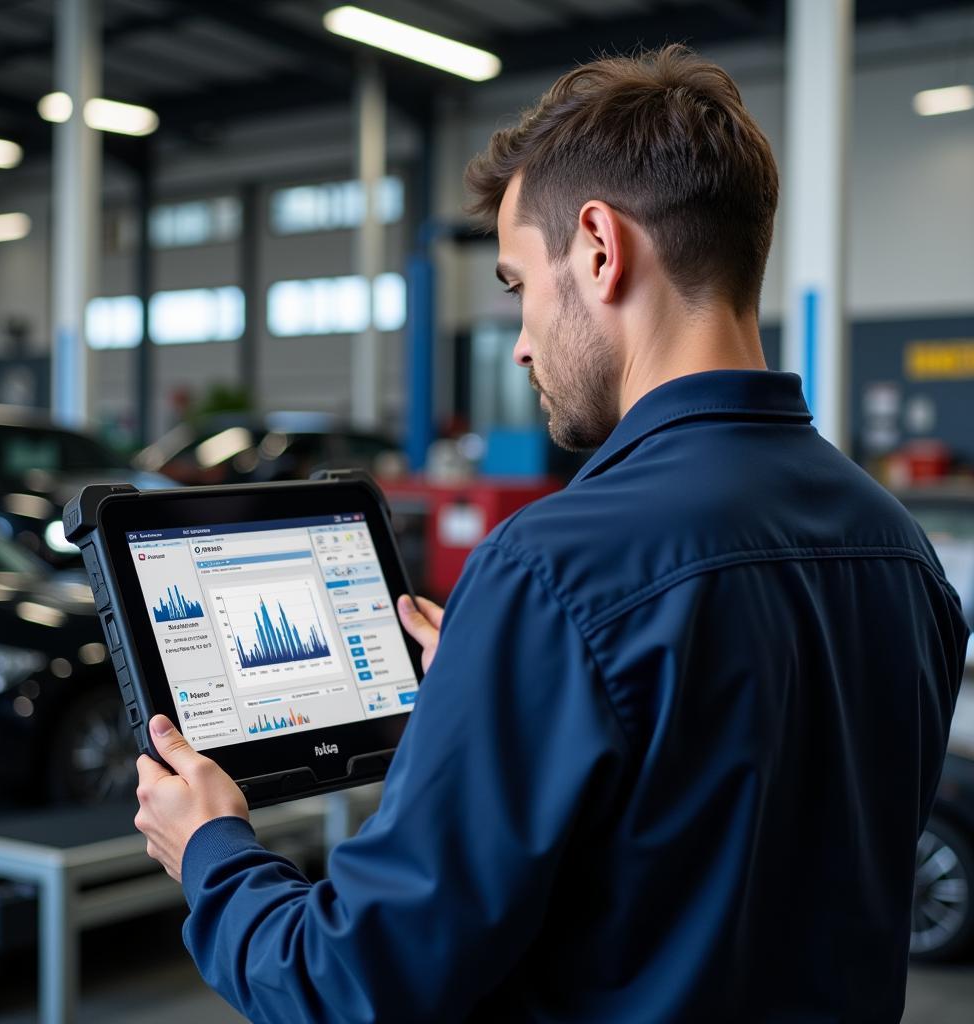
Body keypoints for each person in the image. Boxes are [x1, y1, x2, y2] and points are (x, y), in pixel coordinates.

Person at [134, 45, 969, 1022]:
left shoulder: (551, 571)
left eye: (516, 283)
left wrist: (213, 851)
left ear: (599, 247)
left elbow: (353, 980)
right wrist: (508, 691)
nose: (522, 339)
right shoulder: (899, 551)